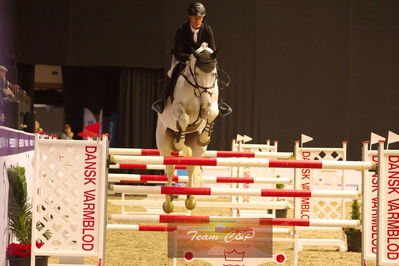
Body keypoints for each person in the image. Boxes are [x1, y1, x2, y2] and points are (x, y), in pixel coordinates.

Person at [152, 2, 232, 116]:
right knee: (171, 73)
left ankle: (219, 102)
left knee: (212, 73)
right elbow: (178, 52)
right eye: (194, 18)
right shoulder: (181, 30)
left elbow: (213, 50)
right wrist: (189, 57)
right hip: (184, 58)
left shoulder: (207, 29)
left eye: (199, 18)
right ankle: (162, 101)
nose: (196, 21)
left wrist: (204, 58)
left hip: (201, 61)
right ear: (189, 17)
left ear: (203, 17)